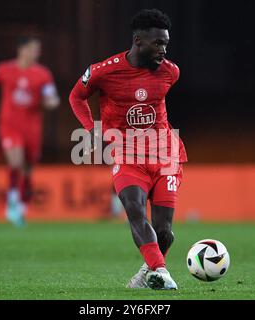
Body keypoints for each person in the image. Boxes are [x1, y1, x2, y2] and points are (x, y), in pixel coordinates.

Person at [69, 9, 187, 290]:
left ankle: (147, 273)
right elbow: (76, 96)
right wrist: (92, 129)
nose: (163, 50)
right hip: (127, 154)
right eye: (158, 43)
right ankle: (161, 271)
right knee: (134, 209)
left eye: (166, 44)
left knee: (164, 231)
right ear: (138, 41)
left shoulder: (170, 72)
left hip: (165, 153)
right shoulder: (103, 71)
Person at [0, 36, 60, 226]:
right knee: (15, 161)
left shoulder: (42, 74)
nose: (36, 53)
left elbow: (50, 96)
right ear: (21, 50)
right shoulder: (4, 69)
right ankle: (12, 201)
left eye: (38, 50)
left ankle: (22, 205)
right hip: (9, 125)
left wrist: (51, 101)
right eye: (33, 49)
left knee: (27, 168)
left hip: (32, 127)